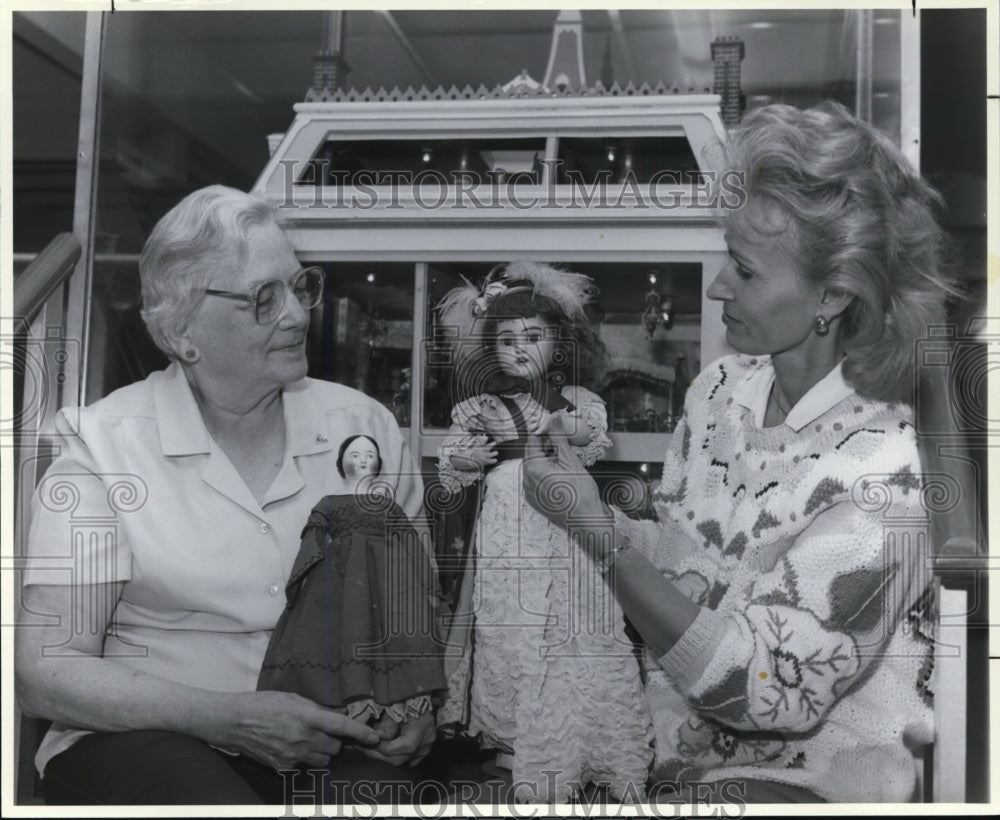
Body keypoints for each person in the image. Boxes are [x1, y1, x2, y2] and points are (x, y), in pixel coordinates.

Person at [523, 101, 952, 804]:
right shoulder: (720, 390)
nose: (720, 284)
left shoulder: (888, 474)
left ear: (835, 295)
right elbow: (683, 564)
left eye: (747, 272)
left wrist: (599, 540)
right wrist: (591, 507)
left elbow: (765, 691)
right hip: (672, 771)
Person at [15, 185, 435, 805]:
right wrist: (227, 717)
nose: (296, 314)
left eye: (300, 286)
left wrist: (418, 704)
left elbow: (410, 602)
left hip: (334, 734)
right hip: (143, 736)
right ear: (184, 330)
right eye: (265, 297)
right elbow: (46, 670)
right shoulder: (103, 447)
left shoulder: (363, 427)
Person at [435, 262, 653, 802]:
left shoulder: (579, 404)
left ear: (559, 343)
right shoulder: (478, 407)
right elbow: (451, 473)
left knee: (573, 620)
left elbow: (585, 439)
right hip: (507, 528)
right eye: (506, 340)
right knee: (511, 624)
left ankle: (584, 738)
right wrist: (469, 458)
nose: (520, 349)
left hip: (563, 523)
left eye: (534, 336)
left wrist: (554, 424)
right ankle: (514, 737)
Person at [258, 433, 448, 744]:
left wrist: (426, 584)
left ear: (379, 463)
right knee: (340, 633)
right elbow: (312, 538)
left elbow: (411, 543)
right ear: (341, 462)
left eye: (370, 455)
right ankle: (343, 703)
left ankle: (383, 702)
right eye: (356, 454)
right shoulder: (329, 503)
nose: (362, 460)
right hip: (338, 580)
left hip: (387, 584)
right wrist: (300, 578)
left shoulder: (388, 505)